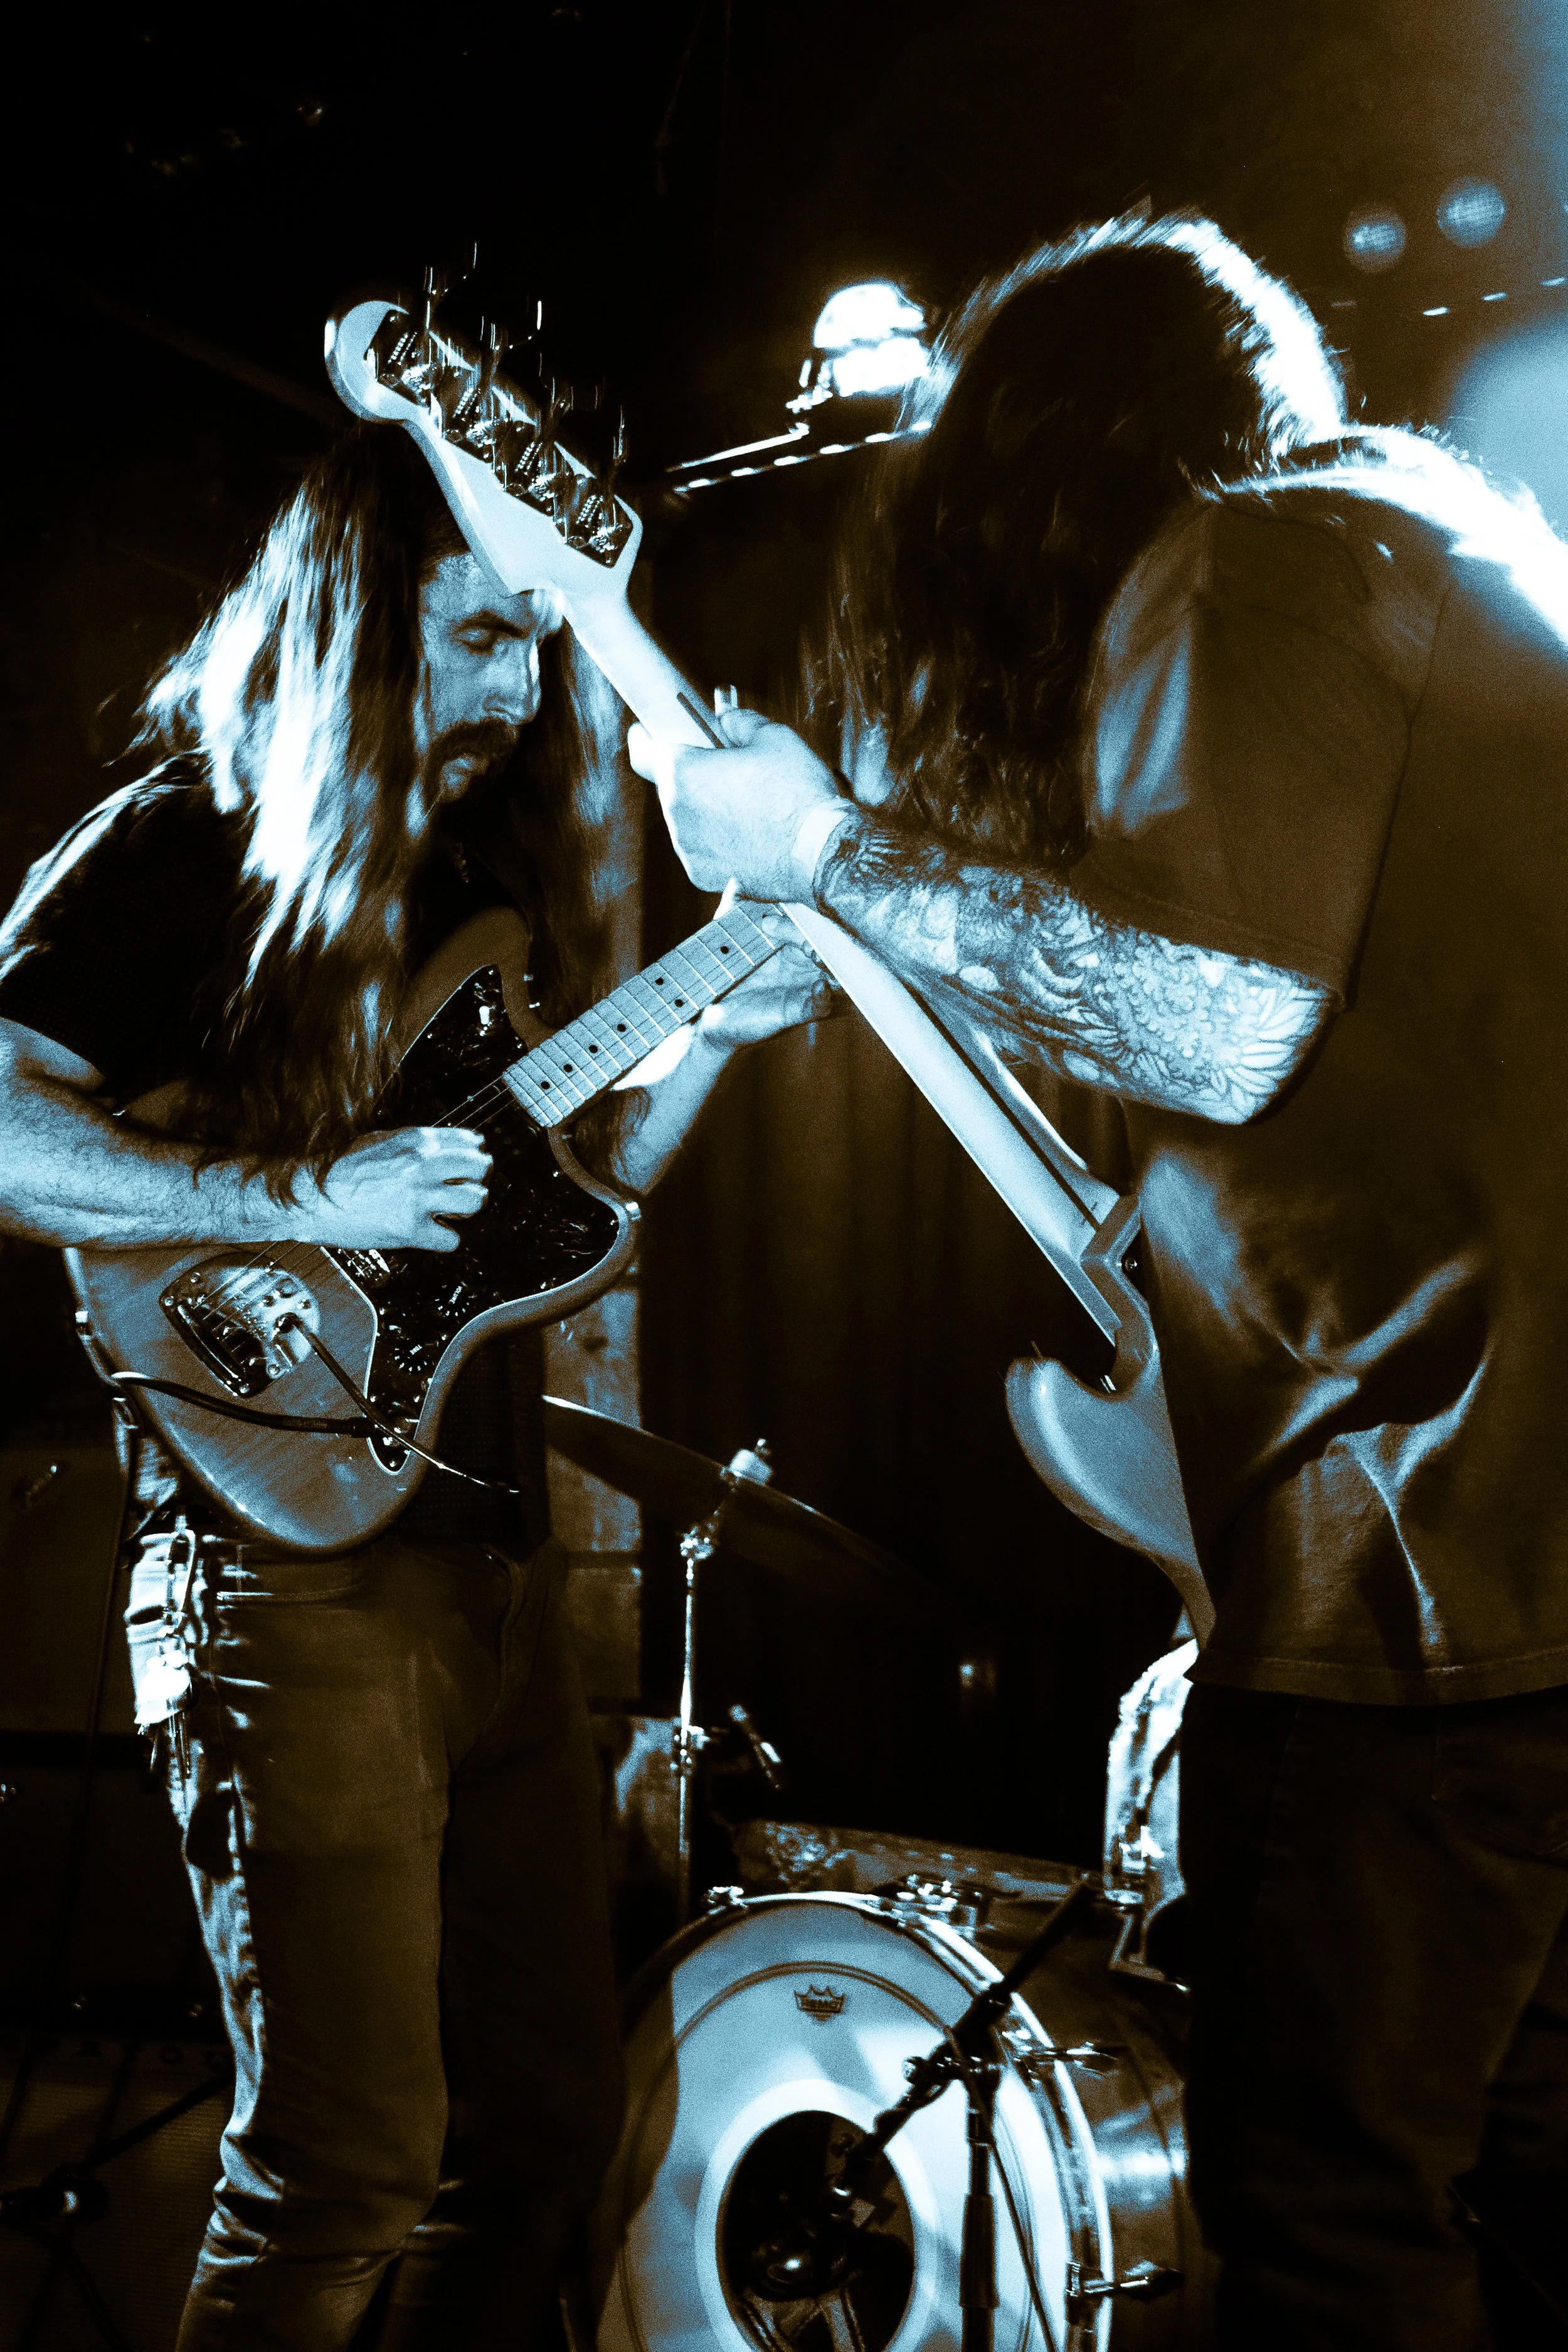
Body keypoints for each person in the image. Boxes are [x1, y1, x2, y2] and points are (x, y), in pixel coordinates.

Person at [630, 212, 1568, 2350]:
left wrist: (831, 852)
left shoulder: (1246, 561)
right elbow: (1275, 1024)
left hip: (1419, 1588)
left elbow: (1213, 1020)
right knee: (1527, 2212)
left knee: (1335, 2234)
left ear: (1036, 456)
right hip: (1537, 1588)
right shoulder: (1443, 565)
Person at [0, 425, 830, 2352]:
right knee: (342, 2163)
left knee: (537, 2132)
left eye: (539, 644)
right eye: (477, 639)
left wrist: (725, 1009)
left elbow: (571, 1197)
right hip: (280, 1577)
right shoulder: (180, 838)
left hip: (483, 1568)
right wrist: (299, 1192)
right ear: (357, 626)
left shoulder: (473, 881)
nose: (518, 690)